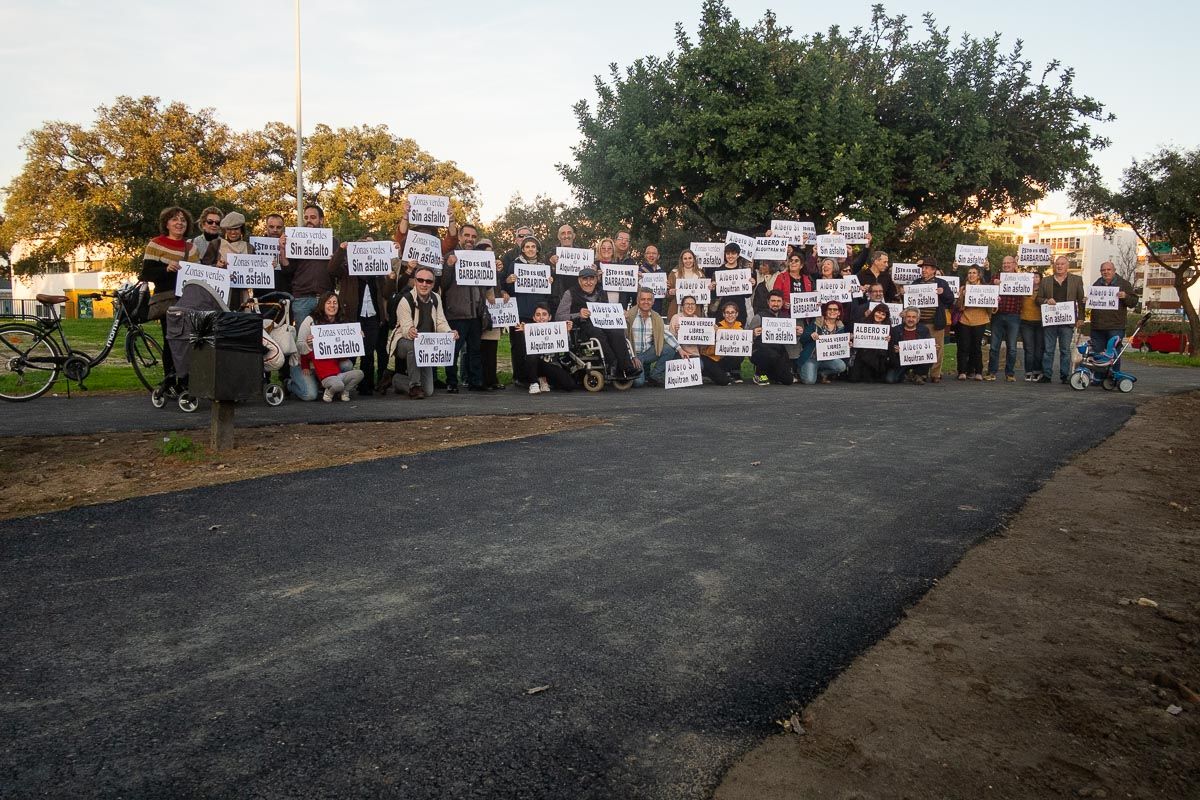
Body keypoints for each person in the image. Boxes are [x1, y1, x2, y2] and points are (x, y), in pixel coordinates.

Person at [139, 206, 200, 391]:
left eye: (182, 219)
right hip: (167, 300)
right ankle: (170, 379)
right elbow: (146, 273)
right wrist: (166, 269)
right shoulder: (155, 244)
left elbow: (197, 274)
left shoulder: (191, 248)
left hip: (188, 300)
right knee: (171, 339)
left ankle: (185, 380)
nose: (179, 223)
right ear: (166, 223)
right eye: (175, 219)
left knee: (189, 340)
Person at [555, 267, 638, 380]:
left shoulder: (601, 292)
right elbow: (559, 317)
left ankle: (627, 367)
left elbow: (607, 310)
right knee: (597, 331)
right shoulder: (570, 293)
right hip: (582, 327)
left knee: (618, 331)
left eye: (591, 279)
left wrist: (619, 314)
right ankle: (612, 362)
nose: (588, 283)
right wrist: (578, 314)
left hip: (603, 323)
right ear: (579, 280)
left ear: (595, 280)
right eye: (585, 279)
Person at [330, 237, 388, 397]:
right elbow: (332, 270)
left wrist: (390, 277)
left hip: (372, 317)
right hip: (352, 317)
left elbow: (387, 292)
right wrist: (341, 249)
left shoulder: (378, 272)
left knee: (368, 353)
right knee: (350, 354)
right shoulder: (347, 269)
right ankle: (343, 384)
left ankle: (366, 386)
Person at [390, 266, 459, 399]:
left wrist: (449, 332)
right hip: (404, 342)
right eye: (420, 280)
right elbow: (405, 327)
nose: (424, 284)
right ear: (415, 281)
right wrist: (410, 331)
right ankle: (415, 386)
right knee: (413, 346)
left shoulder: (436, 298)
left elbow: (440, 322)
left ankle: (397, 380)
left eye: (428, 281)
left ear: (433, 284)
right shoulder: (405, 300)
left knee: (428, 391)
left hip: (425, 345)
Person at [440, 223, 487, 393]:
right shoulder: (450, 256)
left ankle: (476, 382)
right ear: (460, 237)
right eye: (467, 235)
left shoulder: (480, 257)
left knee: (475, 351)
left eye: (473, 237)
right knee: (453, 350)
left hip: (475, 313)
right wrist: (450, 266)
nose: (470, 239)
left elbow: (486, 284)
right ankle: (452, 382)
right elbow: (442, 284)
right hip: (456, 314)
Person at [297, 292, 364, 402]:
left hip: (331, 364)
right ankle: (289, 383)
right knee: (309, 395)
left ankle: (338, 389)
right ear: (322, 305)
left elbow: (345, 353)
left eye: (335, 303)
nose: (332, 305)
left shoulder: (342, 322)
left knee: (347, 364)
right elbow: (299, 345)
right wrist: (308, 344)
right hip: (307, 364)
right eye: (328, 303)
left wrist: (357, 337)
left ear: (339, 305)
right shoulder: (310, 320)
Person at [278, 203, 338, 325]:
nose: (309, 221)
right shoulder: (295, 241)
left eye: (313, 217)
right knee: (303, 339)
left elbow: (337, 271)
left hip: (325, 298)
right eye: (306, 218)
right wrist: (282, 249)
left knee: (324, 338)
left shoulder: (332, 241)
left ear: (321, 220)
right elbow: (288, 269)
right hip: (302, 298)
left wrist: (335, 261)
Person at [899, 258, 954, 382]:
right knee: (920, 348)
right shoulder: (916, 283)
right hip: (919, 323)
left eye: (927, 268)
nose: (923, 270)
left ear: (934, 270)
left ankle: (935, 374)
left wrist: (943, 293)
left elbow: (950, 300)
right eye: (923, 268)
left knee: (937, 348)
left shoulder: (941, 283)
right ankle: (921, 373)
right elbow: (909, 302)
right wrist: (904, 294)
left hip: (935, 322)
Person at [502, 235, 545, 386]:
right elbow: (506, 288)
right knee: (519, 346)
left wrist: (550, 281)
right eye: (527, 247)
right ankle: (520, 377)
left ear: (537, 249)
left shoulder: (543, 266)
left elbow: (547, 291)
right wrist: (508, 281)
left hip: (537, 313)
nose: (530, 249)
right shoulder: (514, 265)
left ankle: (535, 376)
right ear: (522, 249)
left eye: (533, 246)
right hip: (519, 311)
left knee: (536, 346)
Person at [1036, 255, 1086, 383]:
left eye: (1062, 264)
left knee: (1065, 350)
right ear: (1054, 266)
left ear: (1067, 266)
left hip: (1067, 320)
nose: (1059, 266)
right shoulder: (1046, 281)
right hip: (1050, 320)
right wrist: (1047, 300)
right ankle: (1047, 375)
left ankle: (1065, 376)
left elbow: (1081, 300)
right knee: (1048, 349)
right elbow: (1038, 299)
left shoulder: (1076, 280)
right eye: (1057, 264)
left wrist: (1081, 317)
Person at [517, 304, 575, 394]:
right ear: (534, 318)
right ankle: (534, 383)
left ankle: (544, 380)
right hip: (533, 365)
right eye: (538, 315)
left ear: (549, 317)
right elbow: (523, 352)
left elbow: (567, 348)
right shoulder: (528, 330)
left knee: (569, 385)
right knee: (532, 353)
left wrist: (566, 332)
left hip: (551, 365)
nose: (541, 318)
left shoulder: (556, 330)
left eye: (544, 314)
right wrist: (525, 333)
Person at [1089, 260, 1137, 369]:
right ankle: (1098, 377)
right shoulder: (1097, 284)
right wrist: (1087, 300)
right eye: (1103, 270)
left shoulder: (1124, 284)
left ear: (1114, 271)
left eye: (1108, 269)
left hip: (1115, 326)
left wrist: (1125, 296)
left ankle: (1112, 377)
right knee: (1098, 353)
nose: (1106, 272)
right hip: (1097, 326)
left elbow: (1134, 302)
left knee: (1114, 353)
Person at [625, 287, 676, 387]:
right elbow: (623, 340)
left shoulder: (656, 317)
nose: (646, 302)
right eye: (643, 299)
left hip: (649, 353)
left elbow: (666, 333)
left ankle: (655, 375)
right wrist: (632, 357)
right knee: (638, 383)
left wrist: (680, 349)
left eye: (649, 299)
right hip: (633, 355)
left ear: (653, 302)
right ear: (638, 301)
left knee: (669, 349)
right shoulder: (629, 316)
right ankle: (641, 368)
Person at [747, 290, 798, 385]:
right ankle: (759, 374)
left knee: (788, 381)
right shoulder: (759, 316)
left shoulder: (786, 318)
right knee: (769, 354)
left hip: (778, 353)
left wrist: (797, 334)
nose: (776, 303)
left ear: (782, 303)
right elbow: (747, 339)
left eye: (779, 301)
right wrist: (753, 333)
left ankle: (771, 374)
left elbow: (791, 340)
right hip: (760, 352)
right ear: (768, 302)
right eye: (773, 301)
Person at [475, 239, 506, 390]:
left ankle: (492, 379)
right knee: (480, 350)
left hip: (493, 315)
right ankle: (482, 380)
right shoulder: (475, 269)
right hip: (480, 314)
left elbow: (499, 288)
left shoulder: (495, 271)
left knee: (492, 350)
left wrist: (503, 292)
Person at [986, 255, 1023, 382]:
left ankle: (1010, 373)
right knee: (994, 346)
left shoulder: (1021, 278)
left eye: (1008, 263)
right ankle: (992, 372)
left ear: (1014, 264)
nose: (1006, 265)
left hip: (1014, 315)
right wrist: (993, 284)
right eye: (1004, 263)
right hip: (998, 315)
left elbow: (1028, 293)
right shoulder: (996, 277)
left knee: (1012, 347)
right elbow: (987, 290)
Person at [798, 300, 848, 384]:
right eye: (829, 309)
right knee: (809, 381)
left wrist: (846, 345)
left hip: (828, 358)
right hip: (812, 357)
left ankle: (821, 373)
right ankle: (802, 371)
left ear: (839, 312)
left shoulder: (840, 326)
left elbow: (839, 346)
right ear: (826, 311)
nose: (832, 311)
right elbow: (802, 338)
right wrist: (810, 335)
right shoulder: (816, 322)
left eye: (835, 310)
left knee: (841, 366)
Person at [955, 266, 991, 381]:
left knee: (976, 347)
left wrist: (995, 300)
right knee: (963, 347)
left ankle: (978, 371)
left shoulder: (985, 288)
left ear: (979, 275)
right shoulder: (963, 288)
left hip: (980, 320)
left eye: (974, 273)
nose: (971, 275)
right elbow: (958, 307)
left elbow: (991, 306)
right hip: (965, 320)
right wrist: (963, 296)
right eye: (969, 273)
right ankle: (962, 371)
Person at [700, 301, 748, 385]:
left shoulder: (740, 329)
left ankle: (728, 372)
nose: (730, 315)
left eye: (732, 312)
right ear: (723, 314)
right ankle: (709, 373)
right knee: (724, 381)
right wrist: (713, 334)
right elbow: (705, 347)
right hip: (712, 358)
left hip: (726, 359)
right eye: (727, 313)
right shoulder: (716, 327)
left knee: (739, 355)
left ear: (736, 314)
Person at [848, 302, 894, 383]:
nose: (879, 316)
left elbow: (890, 348)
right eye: (878, 312)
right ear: (874, 312)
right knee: (853, 379)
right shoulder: (863, 321)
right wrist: (852, 337)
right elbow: (854, 339)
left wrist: (889, 340)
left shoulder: (887, 327)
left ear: (886, 317)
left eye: (883, 314)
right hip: (862, 354)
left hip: (877, 356)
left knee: (870, 379)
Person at [886, 307, 933, 384]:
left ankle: (919, 374)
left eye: (914, 317)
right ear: (904, 318)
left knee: (931, 351)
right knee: (890, 380)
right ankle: (905, 375)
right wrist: (894, 349)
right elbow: (890, 349)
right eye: (908, 316)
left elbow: (928, 348)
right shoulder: (895, 330)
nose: (911, 319)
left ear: (918, 319)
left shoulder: (924, 330)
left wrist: (933, 348)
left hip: (918, 362)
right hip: (900, 361)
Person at [665, 249, 709, 319]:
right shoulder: (674, 274)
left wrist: (708, 289)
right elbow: (667, 296)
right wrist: (670, 292)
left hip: (695, 312)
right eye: (685, 258)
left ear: (694, 259)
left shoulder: (701, 275)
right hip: (677, 310)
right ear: (681, 260)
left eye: (690, 258)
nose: (688, 261)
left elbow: (704, 295)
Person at [1019, 272, 1045, 382]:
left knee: (1039, 349)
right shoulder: (1023, 289)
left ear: (1041, 279)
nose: (1034, 278)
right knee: (1028, 348)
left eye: (1037, 276)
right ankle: (1028, 371)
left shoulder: (1044, 291)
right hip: (1026, 321)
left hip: (1040, 322)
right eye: (1032, 277)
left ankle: (1037, 371)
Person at [638, 244, 667, 314]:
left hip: (657, 311)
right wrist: (636, 282)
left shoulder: (662, 273)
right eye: (648, 253)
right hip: (641, 312)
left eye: (654, 253)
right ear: (645, 256)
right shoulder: (639, 271)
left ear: (658, 256)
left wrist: (667, 288)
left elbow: (666, 295)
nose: (651, 255)